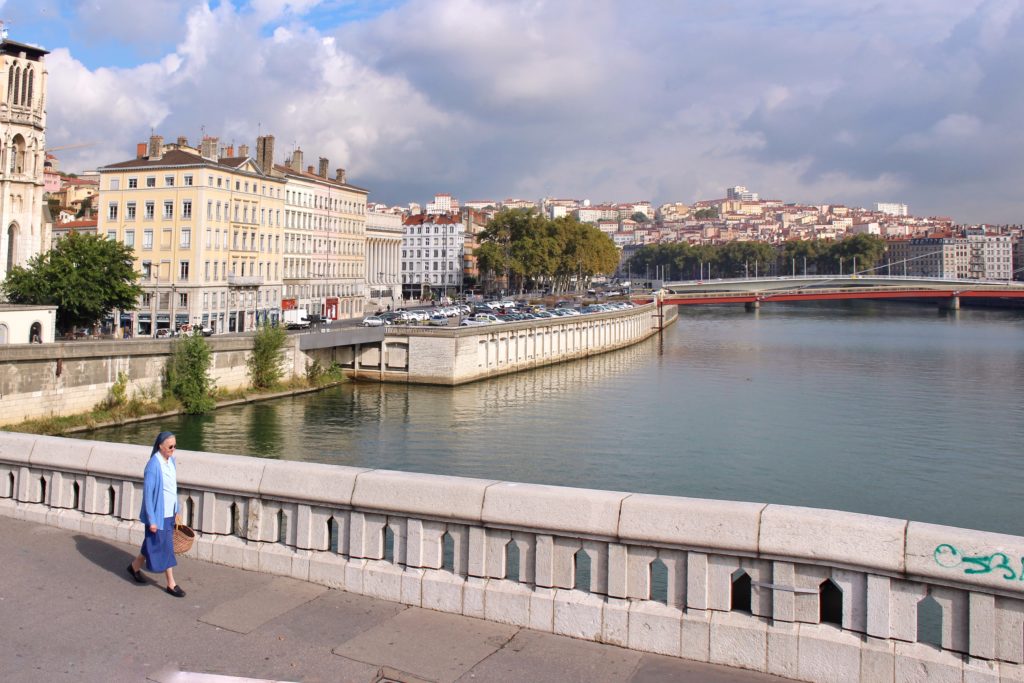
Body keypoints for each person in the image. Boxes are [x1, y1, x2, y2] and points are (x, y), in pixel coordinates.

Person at [126, 431, 186, 597]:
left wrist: (176, 510)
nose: (173, 449)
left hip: (169, 512)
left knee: (153, 543)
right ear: (160, 446)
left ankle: (134, 567)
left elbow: (172, 489)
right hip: (158, 515)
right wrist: (152, 520)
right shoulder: (153, 465)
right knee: (166, 546)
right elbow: (148, 495)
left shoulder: (171, 461)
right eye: (170, 446)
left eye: (175, 446)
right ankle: (171, 583)